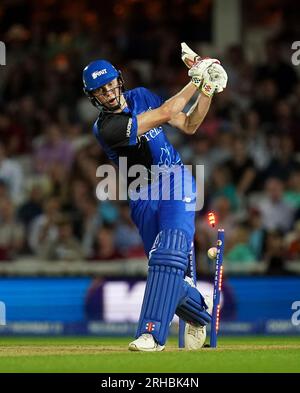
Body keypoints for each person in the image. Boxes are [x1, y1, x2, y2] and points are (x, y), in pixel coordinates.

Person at [82, 45, 227, 352]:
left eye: (110, 85)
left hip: (176, 180)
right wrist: (197, 78)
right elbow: (164, 114)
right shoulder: (106, 128)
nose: (109, 93)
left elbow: (188, 124)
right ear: (93, 97)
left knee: (168, 255)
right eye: (101, 91)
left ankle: (151, 334)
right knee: (167, 270)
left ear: (119, 80)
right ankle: (200, 310)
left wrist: (208, 90)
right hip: (142, 194)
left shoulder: (142, 95)